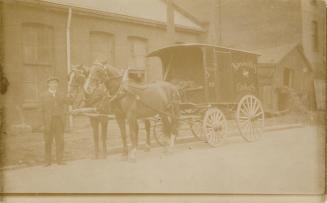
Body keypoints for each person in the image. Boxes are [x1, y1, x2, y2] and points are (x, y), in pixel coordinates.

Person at [41, 77, 72, 166]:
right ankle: (47, 161)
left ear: (57, 85)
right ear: (48, 84)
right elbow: (40, 110)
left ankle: (60, 160)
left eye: (55, 83)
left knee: (60, 141)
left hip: (59, 121)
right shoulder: (43, 95)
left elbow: (70, 102)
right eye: (52, 83)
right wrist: (42, 124)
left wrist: (71, 95)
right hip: (48, 122)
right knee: (48, 141)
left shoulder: (61, 94)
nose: (54, 85)